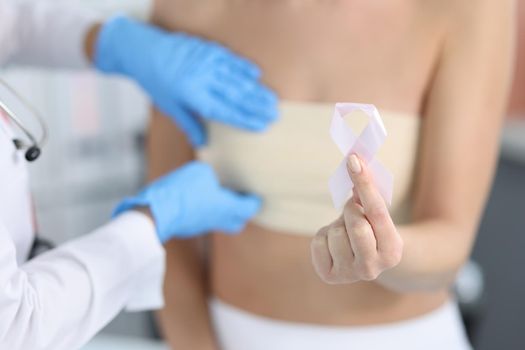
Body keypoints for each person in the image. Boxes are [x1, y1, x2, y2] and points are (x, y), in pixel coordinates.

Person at [147, 0, 515, 349]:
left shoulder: (470, 8)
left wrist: (385, 253)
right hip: (228, 335)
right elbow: (165, 232)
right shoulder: (187, 8)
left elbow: (450, 245)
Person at [0, 0, 277, 349]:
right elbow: (13, 330)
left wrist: (113, 42)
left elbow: (11, 23)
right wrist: (151, 222)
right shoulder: (190, 12)